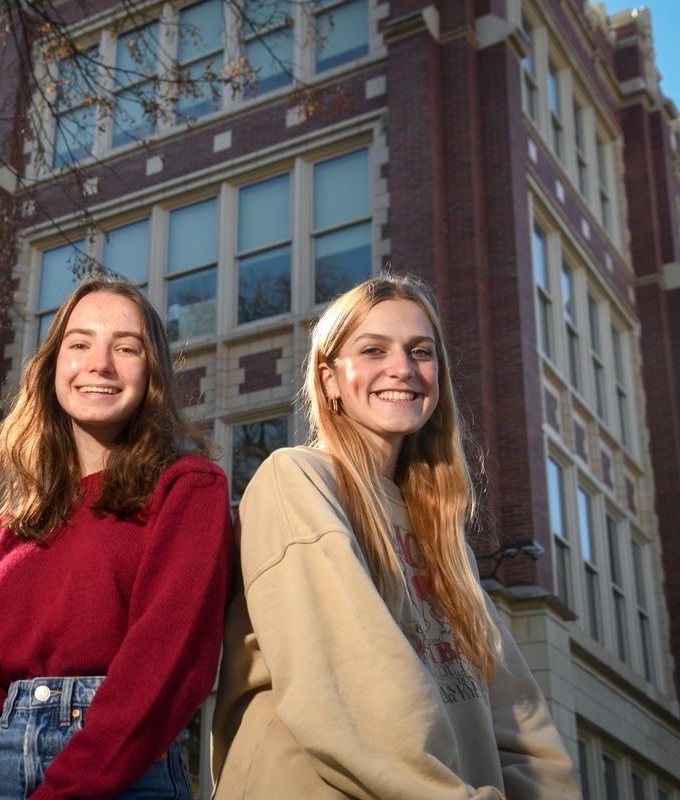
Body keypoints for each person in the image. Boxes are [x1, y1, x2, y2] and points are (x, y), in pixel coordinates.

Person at [211, 273, 580, 799]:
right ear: (330, 378)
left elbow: (515, 713)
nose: (403, 368)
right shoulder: (295, 479)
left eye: (421, 351)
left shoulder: (441, 535)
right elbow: (357, 685)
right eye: (373, 349)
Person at [0, 274, 234, 800]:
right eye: (81, 343)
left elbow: (166, 665)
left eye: (126, 347)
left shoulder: (189, 489)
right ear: (52, 367)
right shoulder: (3, 533)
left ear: (151, 372)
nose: (101, 364)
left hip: (130, 773)